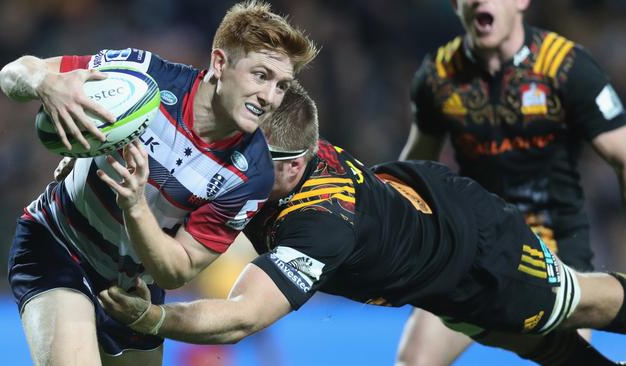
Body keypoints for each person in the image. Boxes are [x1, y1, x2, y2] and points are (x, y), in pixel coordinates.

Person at [99, 84, 626, 366]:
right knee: (525, 343)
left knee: (575, 304)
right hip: (428, 251)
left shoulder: (319, 223)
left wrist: (153, 321)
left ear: (296, 164)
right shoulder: (268, 158)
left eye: (258, 156)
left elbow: (242, 319)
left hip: (478, 252)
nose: (241, 165)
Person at [0, 1, 317, 365]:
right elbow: (14, 73)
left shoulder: (253, 174)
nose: (270, 97)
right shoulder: (142, 75)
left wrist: (134, 207)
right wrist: (46, 82)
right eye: (261, 76)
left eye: (281, 86)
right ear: (219, 63)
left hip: (134, 287)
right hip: (58, 244)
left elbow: (177, 269)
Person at [397, 0, 626, 364]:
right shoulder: (438, 75)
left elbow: (622, 155)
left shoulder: (564, 66)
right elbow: (414, 166)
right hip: (477, 246)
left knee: (572, 360)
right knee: (414, 361)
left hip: (557, 251)